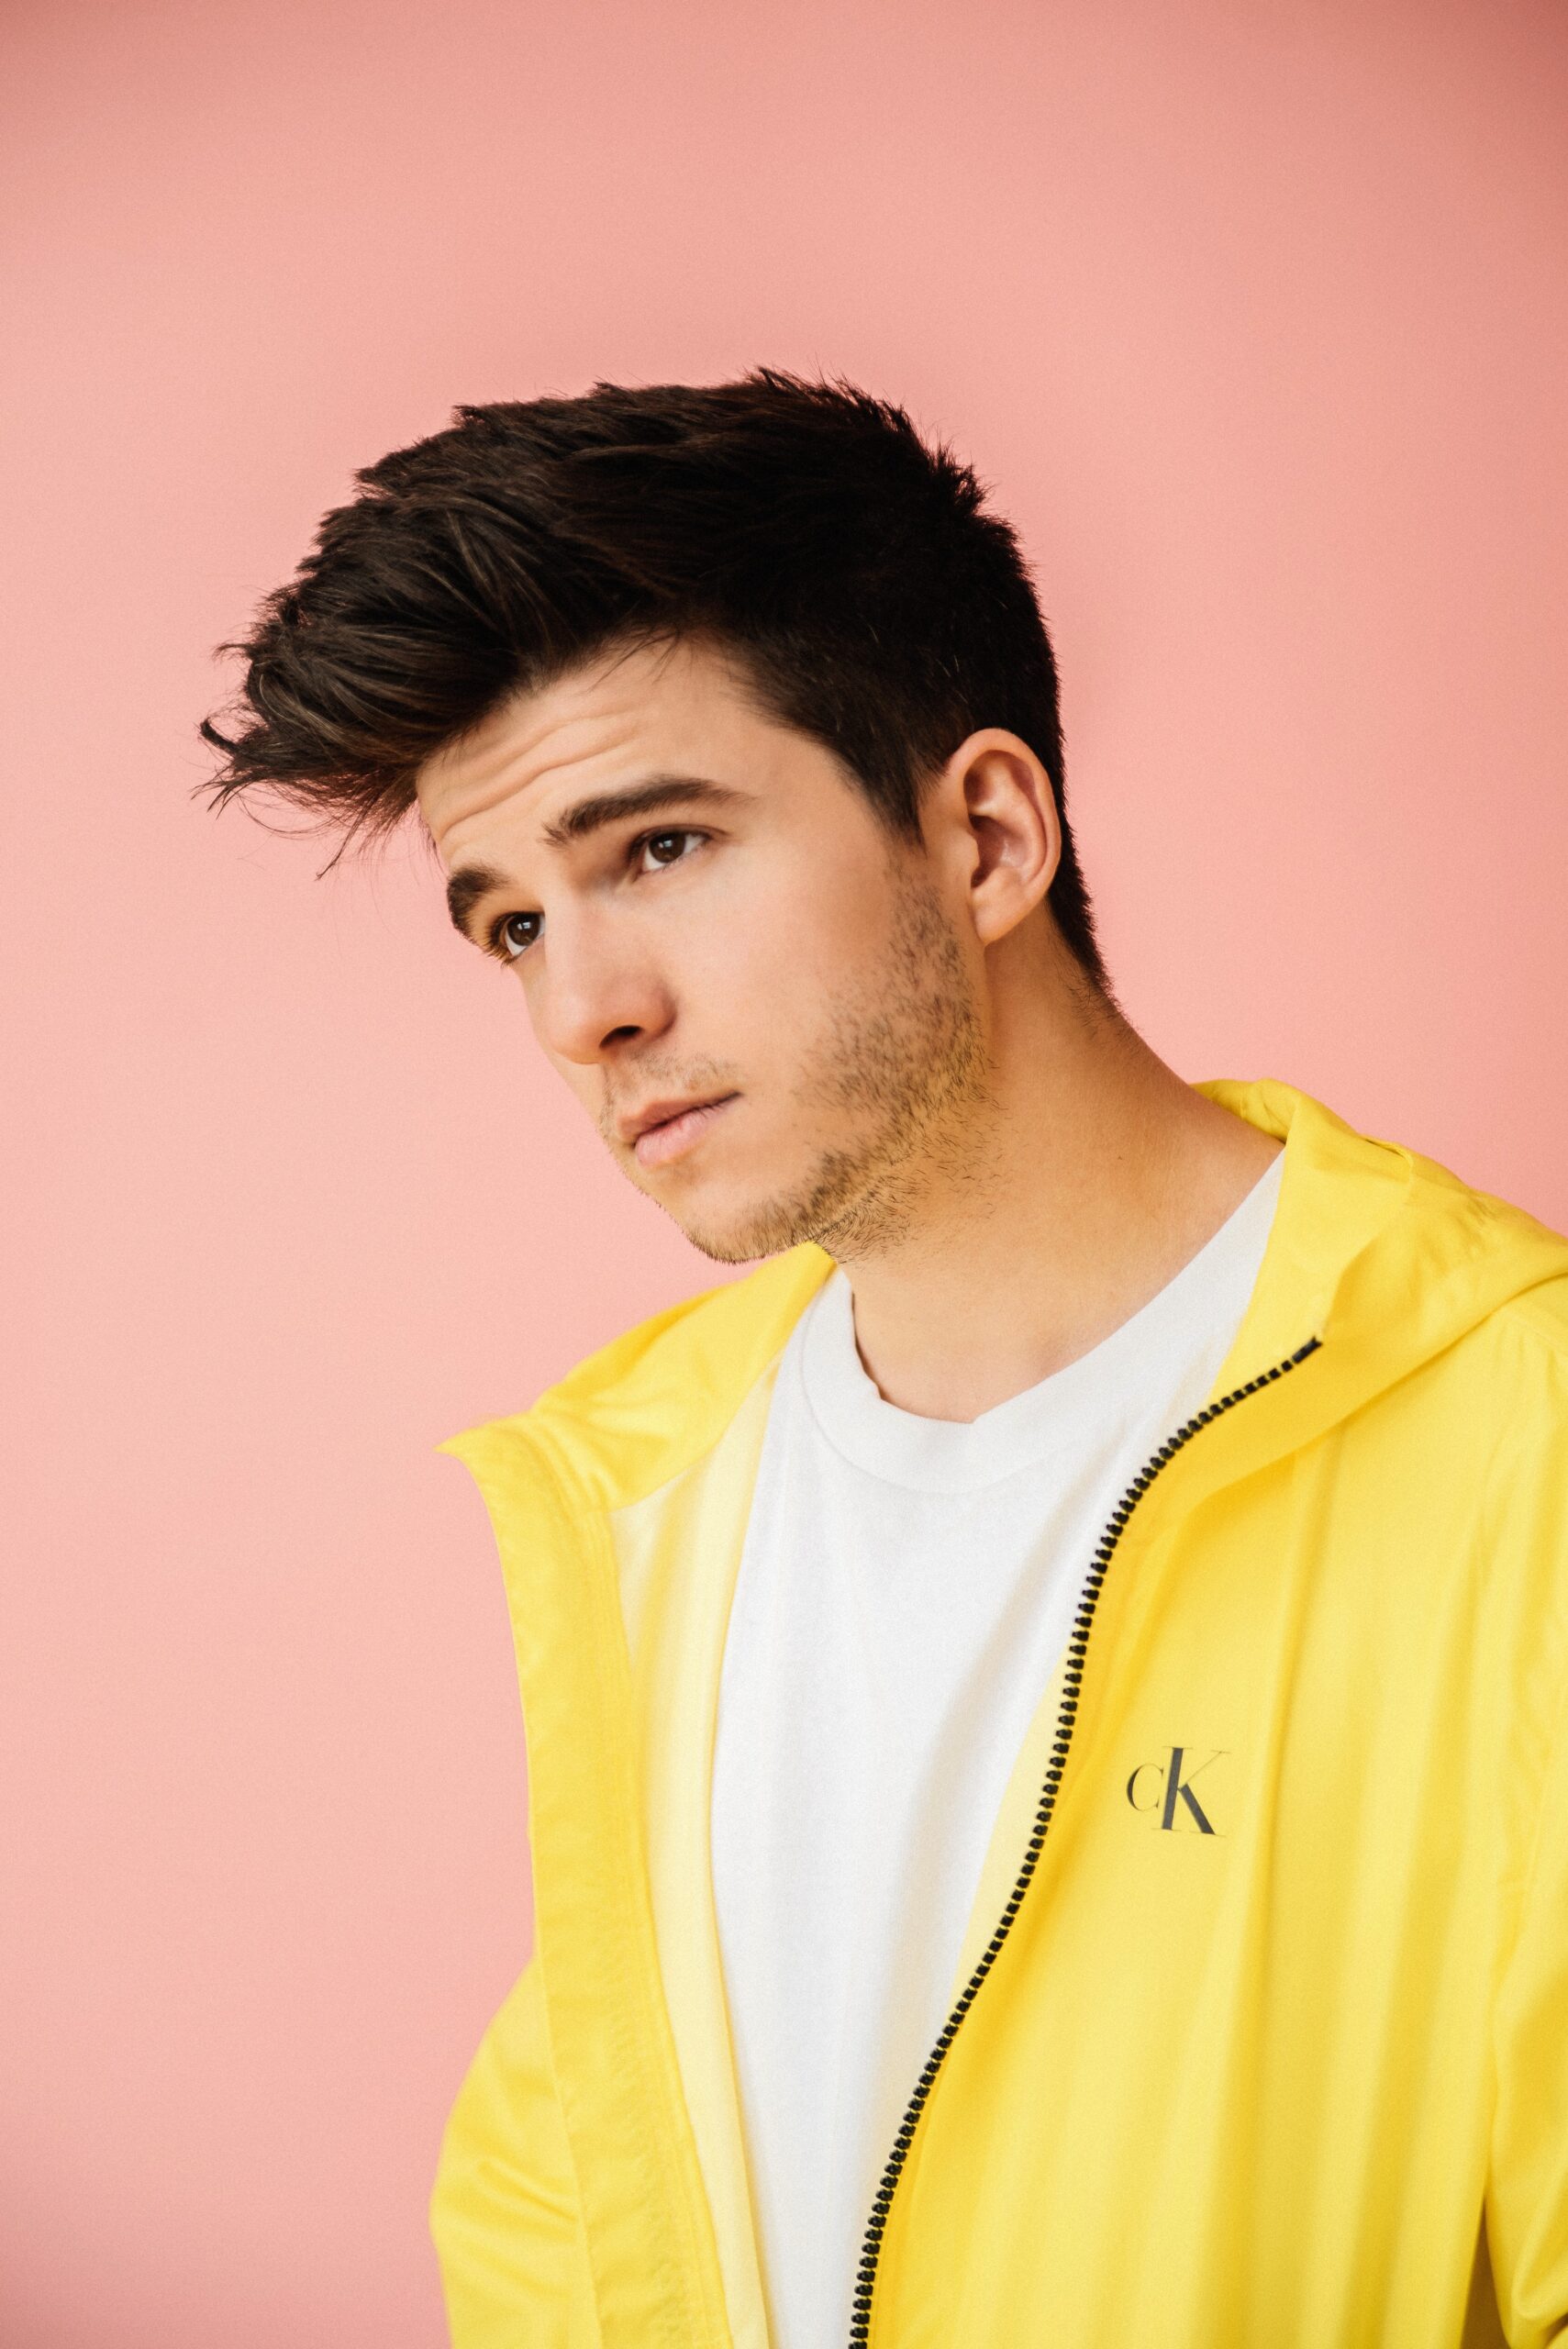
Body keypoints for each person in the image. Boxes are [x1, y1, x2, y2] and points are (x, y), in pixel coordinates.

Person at [199, 372, 1568, 2349]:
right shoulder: (646, 1486)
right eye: (509, 925)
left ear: (987, 834)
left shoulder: (1516, 1437)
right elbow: (572, 2219)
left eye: (659, 847)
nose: (582, 1008)